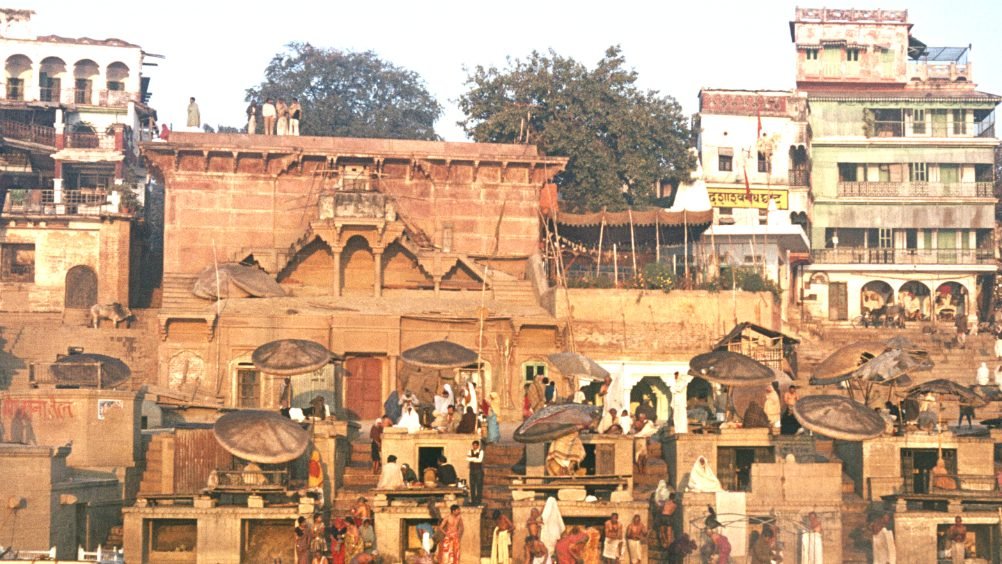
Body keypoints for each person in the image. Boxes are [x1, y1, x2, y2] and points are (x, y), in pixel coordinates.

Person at [467, 440, 484, 504]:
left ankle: (478, 500)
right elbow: (467, 458)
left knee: (479, 486)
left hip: (478, 471)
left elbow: (479, 460)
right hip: (472, 470)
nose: (474, 447)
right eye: (473, 445)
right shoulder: (470, 451)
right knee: (472, 485)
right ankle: (473, 500)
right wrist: (475, 459)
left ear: (478, 446)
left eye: (475, 445)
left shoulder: (481, 451)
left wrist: (472, 458)